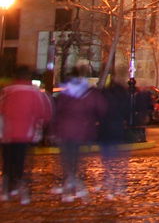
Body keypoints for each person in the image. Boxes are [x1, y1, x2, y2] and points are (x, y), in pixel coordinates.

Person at [50, 67, 106, 203]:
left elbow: (57, 112)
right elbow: (102, 108)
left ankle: (68, 187)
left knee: (67, 160)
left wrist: (53, 131)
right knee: (77, 160)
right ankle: (75, 185)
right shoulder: (89, 93)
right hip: (83, 131)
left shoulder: (65, 93)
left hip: (65, 131)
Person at [0, 69, 53, 205]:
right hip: (25, 133)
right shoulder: (34, 93)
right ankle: (20, 189)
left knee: (7, 162)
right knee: (21, 162)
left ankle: (6, 189)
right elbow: (44, 112)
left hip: (7, 133)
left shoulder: (7, 91)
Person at [98, 79, 132, 199]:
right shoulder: (123, 97)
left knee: (107, 158)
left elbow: (100, 112)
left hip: (106, 129)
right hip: (118, 129)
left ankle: (109, 181)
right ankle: (120, 185)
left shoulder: (105, 97)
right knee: (119, 160)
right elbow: (128, 112)